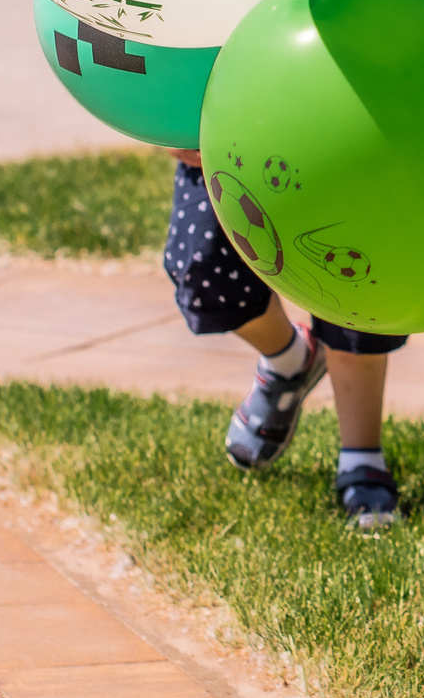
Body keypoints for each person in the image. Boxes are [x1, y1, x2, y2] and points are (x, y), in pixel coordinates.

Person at [163, 149, 404, 529]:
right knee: (205, 270)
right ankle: (291, 359)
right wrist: (161, 122)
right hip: (225, 132)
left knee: (358, 288)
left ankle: (362, 457)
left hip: (352, 131)